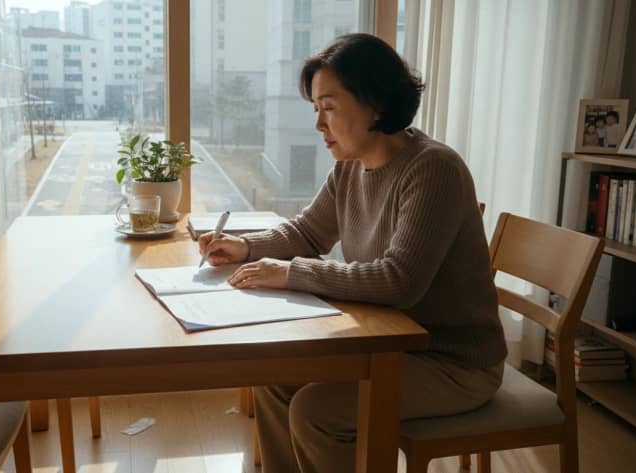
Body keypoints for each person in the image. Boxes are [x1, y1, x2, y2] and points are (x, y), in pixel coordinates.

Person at [198, 33, 507, 473]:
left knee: (315, 411)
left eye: (329, 107)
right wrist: (246, 247)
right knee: (274, 378)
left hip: (452, 362)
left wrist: (291, 273)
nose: (319, 125)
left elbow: (400, 281)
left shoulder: (434, 169)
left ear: (375, 103)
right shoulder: (350, 165)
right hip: (381, 342)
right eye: (316, 109)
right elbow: (308, 232)